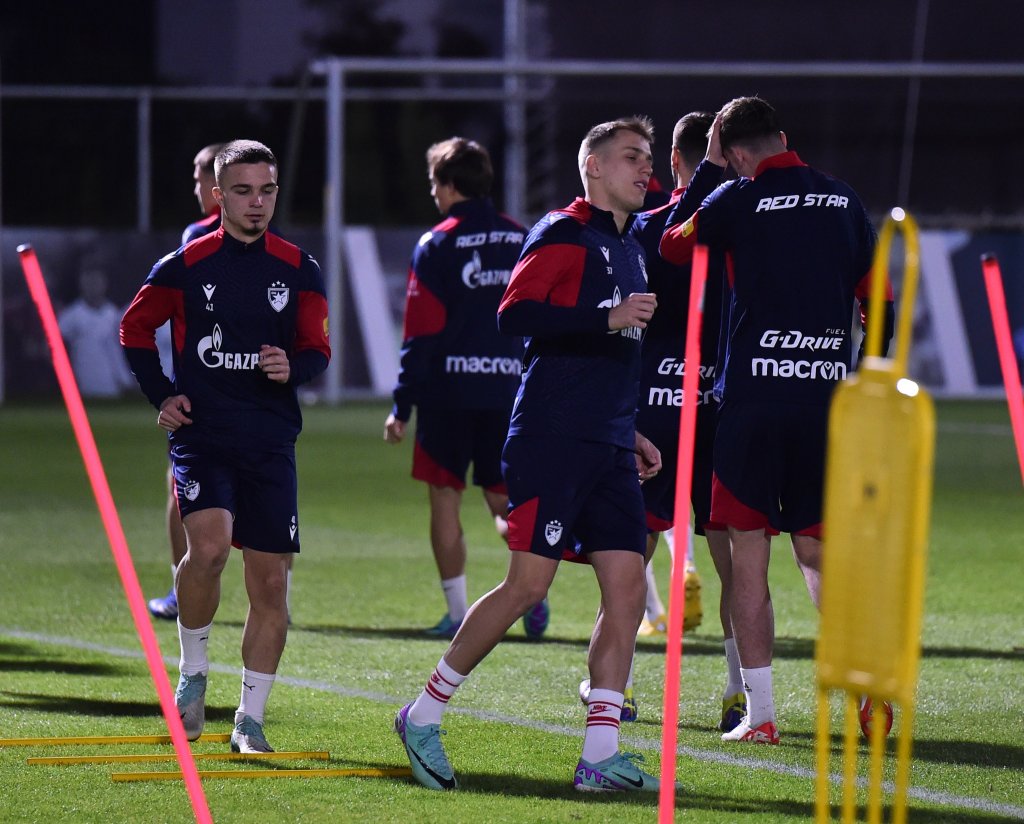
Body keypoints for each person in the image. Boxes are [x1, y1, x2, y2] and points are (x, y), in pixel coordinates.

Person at [395, 116, 676, 793]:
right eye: (632, 156)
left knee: (627, 588)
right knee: (528, 586)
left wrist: (631, 428)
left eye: (649, 157)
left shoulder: (629, 245)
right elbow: (514, 313)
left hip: (609, 441)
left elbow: (615, 358)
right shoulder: (561, 232)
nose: (647, 168)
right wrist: (605, 317)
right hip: (552, 436)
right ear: (594, 167)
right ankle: (422, 714)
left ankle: (599, 756)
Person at [660, 96, 894, 744]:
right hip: (824, 402)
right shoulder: (843, 200)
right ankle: (867, 689)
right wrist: (865, 377)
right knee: (818, 551)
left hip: (753, 404)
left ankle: (760, 714)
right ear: (784, 136)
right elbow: (879, 298)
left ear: (734, 152)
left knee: (749, 553)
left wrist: (710, 172)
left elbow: (672, 245)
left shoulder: (735, 197)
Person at [120, 139, 330, 753]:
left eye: (266, 190)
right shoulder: (184, 264)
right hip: (203, 436)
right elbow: (135, 328)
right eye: (243, 191)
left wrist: (292, 366)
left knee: (270, 586)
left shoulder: (299, 268)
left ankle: (249, 719)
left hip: (270, 442)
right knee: (208, 550)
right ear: (218, 195)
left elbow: (317, 350)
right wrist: (162, 395)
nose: (257, 202)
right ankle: (192, 674)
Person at [582, 111, 745, 732]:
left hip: (652, 410)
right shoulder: (743, 226)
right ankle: (739, 693)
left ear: (673, 161)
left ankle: (613, 688)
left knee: (628, 560)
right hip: (721, 407)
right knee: (737, 561)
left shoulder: (646, 228)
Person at [383, 137, 547, 640]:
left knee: (445, 498)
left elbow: (421, 332)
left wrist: (402, 405)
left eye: (434, 182)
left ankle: (458, 613)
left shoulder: (437, 244)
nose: (432, 191)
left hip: (448, 393)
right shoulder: (522, 237)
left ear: (450, 185)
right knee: (503, 500)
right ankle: (533, 590)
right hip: (508, 392)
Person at [148, 142, 226, 622]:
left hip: (200, 386)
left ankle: (181, 592)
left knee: (179, 485)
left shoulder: (197, 235)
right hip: (259, 390)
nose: (195, 188)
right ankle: (277, 599)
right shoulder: (274, 238)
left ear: (215, 184)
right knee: (267, 487)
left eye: (199, 179)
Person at [58, 265, 133, 398]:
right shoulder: (70, 316)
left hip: (112, 387)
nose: (93, 286)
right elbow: (56, 349)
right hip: (83, 387)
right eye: (89, 281)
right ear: (82, 283)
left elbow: (118, 352)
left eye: (97, 281)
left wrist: (124, 379)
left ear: (104, 283)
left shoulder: (113, 314)